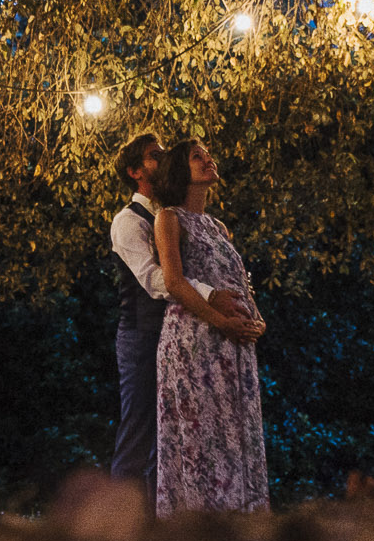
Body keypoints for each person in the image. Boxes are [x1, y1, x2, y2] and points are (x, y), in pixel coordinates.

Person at [106, 133, 249, 503]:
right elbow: (156, 280)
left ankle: (164, 520)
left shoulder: (180, 216)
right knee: (139, 428)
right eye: (155, 156)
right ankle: (118, 524)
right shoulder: (129, 221)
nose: (165, 159)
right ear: (135, 171)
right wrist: (210, 297)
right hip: (143, 333)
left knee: (174, 432)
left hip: (185, 330)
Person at [151, 136, 270, 515]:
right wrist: (222, 322)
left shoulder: (218, 227)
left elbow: (237, 279)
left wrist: (256, 320)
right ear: (179, 172)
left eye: (207, 154)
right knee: (203, 438)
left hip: (234, 347)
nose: (207, 160)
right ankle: (200, 533)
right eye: (196, 157)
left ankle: (243, 525)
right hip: (195, 342)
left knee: (236, 433)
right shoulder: (168, 218)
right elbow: (174, 282)